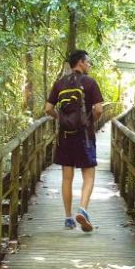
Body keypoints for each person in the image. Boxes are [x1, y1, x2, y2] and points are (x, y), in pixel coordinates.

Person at [44, 50, 104, 231]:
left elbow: (47, 108)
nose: (89, 65)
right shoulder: (90, 82)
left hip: (65, 136)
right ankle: (83, 209)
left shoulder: (60, 83)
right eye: (89, 62)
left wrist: (60, 119)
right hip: (84, 136)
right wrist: (89, 121)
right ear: (81, 62)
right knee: (89, 176)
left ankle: (68, 218)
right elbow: (99, 110)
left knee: (66, 178)